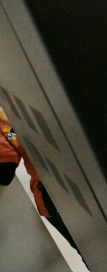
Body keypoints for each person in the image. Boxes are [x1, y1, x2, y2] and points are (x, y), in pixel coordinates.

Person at [0, 105, 87, 265]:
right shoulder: (3, 123)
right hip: (53, 191)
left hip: (92, 175)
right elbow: (4, 171)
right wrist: (11, 123)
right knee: (96, 252)